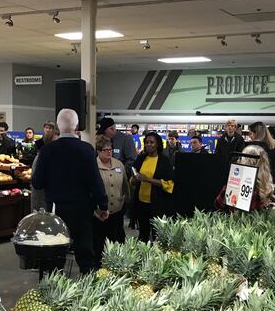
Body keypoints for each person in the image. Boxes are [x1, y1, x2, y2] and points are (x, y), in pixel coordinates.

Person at [32, 109, 108, 274]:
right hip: (82, 209)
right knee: (85, 254)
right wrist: (103, 205)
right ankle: (89, 292)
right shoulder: (87, 150)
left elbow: (37, 183)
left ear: (58, 126)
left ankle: (53, 290)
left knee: (55, 254)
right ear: (76, 126)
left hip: (55, 210)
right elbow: (96, 182)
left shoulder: (47, 150)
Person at [132, 132, 174, 242]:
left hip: (158, 204)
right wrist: (135, 180)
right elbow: (133, 179)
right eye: (146, 142)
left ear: (158, 144)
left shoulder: (164, 161)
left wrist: (147, 179)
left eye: (152, 142)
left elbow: (169, 184)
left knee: (157, 234)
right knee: (143, 234)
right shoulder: (141, 158)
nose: (148, 145)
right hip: (141, 203)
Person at [93, 136, 129, 265]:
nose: (109, 152)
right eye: (105, 150)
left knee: (117, 242)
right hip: (100, 214)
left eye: (111, 149)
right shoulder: (93, 166)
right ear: (98, 151)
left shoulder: (118, 164)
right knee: (99, 244)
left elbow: (125, 185)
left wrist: (125, 202)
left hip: (117, 212)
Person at [216, 144, 275, 211]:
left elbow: (219, 204)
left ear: (245, 161)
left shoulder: (238, 184)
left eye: (241, 157)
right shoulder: (266, 183)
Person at [248, 122, 275, 206]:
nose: (250, 136)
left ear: (256, 133)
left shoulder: (253, 147)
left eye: (250, 133)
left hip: (261, 187)